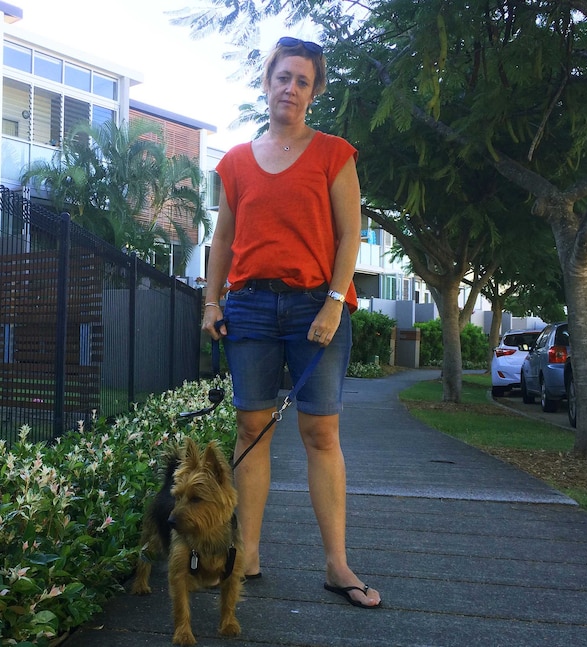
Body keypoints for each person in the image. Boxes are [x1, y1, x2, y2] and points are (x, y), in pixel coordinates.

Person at [201, 36, 381, 609]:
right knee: (252, 429)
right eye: (284, 76)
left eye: (303, 81)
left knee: (320, 433)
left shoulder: (334, 153)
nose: (291, 88)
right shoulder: (234, 162)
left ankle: (336, 564)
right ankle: (246, 555)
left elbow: (350, 234)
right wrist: (212, 302)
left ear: (314, 91)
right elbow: (223, 240)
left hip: (315, 308)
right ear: (267, 81)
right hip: (249, 306)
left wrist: (334, 301)